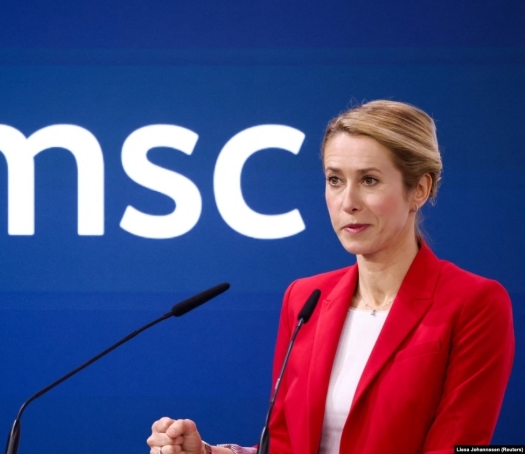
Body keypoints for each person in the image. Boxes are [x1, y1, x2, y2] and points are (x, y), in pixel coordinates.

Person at [147, 100, 515, 454]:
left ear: (419, 189)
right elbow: (285, 446)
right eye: (335, 180)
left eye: (369, 180)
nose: (348, 201)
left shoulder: (474, 303)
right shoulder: (305, 298)